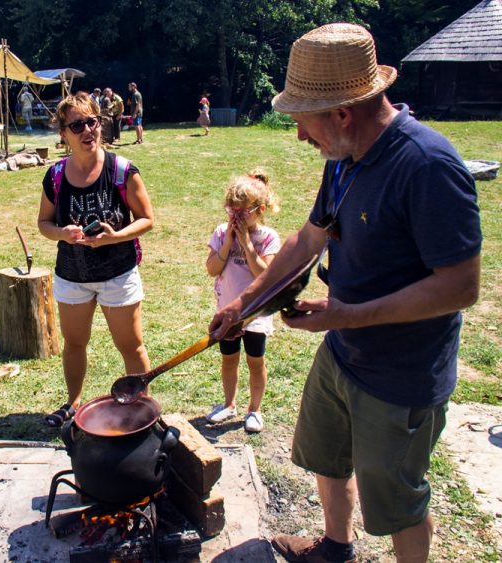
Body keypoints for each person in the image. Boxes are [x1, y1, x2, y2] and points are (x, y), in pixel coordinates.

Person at [209, 23, 481, 563]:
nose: (299, 137)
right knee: (327, 456)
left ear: (341, 113)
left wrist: (347, 316)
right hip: (343, 352)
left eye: (303, 121)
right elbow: (308, 239)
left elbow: (460, 286)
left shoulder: (428, 166)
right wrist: (245, 302)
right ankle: (336, 548)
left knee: (399, 501)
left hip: (401, 371)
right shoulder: (344, 158)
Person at [37, 92, 154, 427]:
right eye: (77, 125)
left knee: (130, 346)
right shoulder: (56, 176)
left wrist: (114, 236)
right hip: (72, 276)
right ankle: (73, 403)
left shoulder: (122, 170)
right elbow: (44, 223)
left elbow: (147, 218)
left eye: (93, 121)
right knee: (75, 343)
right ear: (63, 134)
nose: (88, 130)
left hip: (117, 274)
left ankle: (142, 409)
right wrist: (63, 233)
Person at [205, 170, 280, 432]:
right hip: (227, 312)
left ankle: (255, 410)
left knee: (255, 360)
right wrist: (227, 244)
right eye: (231, 210)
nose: (235, 217)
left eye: (242, 212)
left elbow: (266, 275)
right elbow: (213, 269)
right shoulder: (221, 232)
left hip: (256, 314)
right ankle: (229, 404)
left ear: (260, 210)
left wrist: (247, 245)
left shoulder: (268, 238)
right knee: (229, 359)